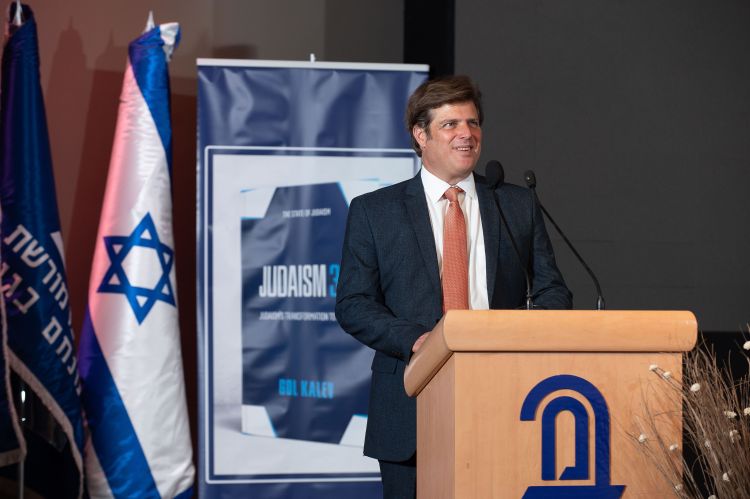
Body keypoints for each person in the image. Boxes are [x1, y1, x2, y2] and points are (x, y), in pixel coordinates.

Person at [335, 75, 571, 498]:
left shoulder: (516, 204)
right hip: (410, 400)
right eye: (450, 124)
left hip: (505, 397)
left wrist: (512, 334)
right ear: (420, 135)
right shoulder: (375, 211)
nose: (467, 133)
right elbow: (354, 303)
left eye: (473, 123)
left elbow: (554, 293)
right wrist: (419, 340)